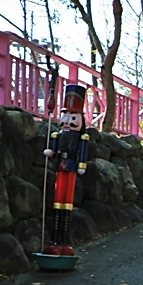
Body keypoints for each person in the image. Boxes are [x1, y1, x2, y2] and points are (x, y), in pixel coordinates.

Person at [42, 84, 90, 256]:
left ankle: (64, 240)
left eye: (73, 116)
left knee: (66, 202)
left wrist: (81, 166)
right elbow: (53, 151)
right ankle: (54, 240)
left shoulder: (82, 137)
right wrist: (50, 152)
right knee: (57, 201)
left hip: (70, 167)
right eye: (65, 115)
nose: (68, 120)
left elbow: (82, 154)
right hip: (60, 167)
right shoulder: (57, 135)